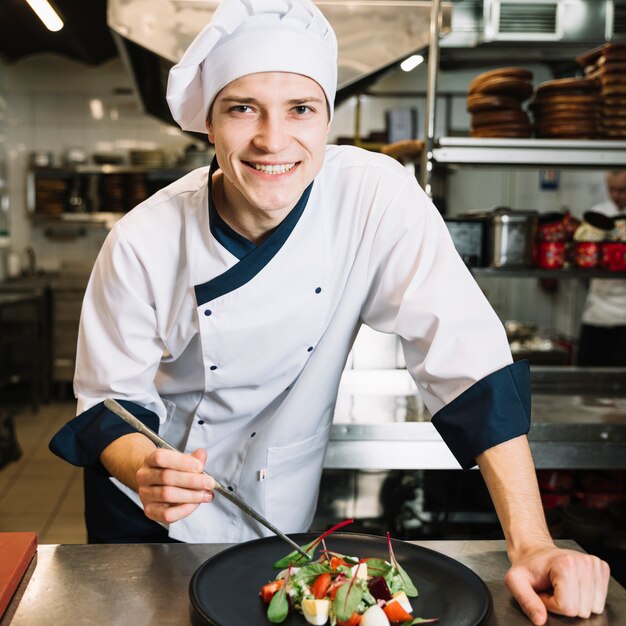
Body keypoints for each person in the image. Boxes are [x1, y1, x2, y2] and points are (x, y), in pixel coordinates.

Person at [50, 1, 609, 623]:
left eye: (300, 109)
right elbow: (108, 404)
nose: (272, 139)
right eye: (242, 109)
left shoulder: (374, 196)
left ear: (327, 119)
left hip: (276, 509)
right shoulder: (142, 239)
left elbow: (468, 361)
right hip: (148, 513)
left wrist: (532, 542)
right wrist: (144, 467)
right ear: (209, 124)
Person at [577, 171, 626, 366]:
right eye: (612, 190)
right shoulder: (596, 215)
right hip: (596, 313)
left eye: (622, 190)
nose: (616, 195)